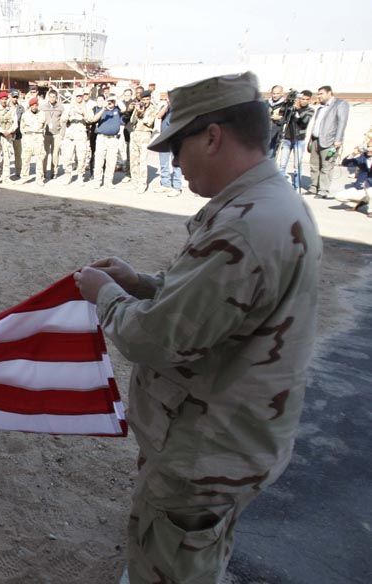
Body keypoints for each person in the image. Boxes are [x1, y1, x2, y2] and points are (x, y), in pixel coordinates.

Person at [74, 71, 320, 584]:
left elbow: (156, 339)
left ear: (212, 136)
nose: (173, 160)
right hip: (223, 438)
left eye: (178, 145)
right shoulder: (266, 206)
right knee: (194, 549)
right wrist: (140, 282)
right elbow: (220, 304)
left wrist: (105, 294)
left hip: (206, 451)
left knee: (175, 564)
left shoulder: (247, 224)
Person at [308, 85, 350, 199]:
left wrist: (338, 140)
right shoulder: (321, 107)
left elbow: (342, 123)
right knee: (314, 165)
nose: (318, 96)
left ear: (329, 93)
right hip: (316, 140)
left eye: (321, 93)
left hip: (330, 142)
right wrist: (311, 139)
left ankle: (323, 190)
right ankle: (314, 187)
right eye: (318, 94)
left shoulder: (340, 104)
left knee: (326, 166)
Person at [276, 90, 313, 192]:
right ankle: (279, 186)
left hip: (299, 140)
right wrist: (287, 102)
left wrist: (298, 110)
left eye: (306, 99)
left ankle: (296, 186)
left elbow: (304, 121)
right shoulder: (291, 108)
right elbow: (282, 113)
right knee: (282, 164)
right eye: (302, 99)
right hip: (287, 139)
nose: (304, 101)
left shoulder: (310, 110)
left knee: (297, 165)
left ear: (310, 100)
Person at [88, 97, 123, 188]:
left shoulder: (117, 110)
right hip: (101, 138)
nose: (110, 103)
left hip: (113, 139)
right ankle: (97, 181)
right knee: (99, 160)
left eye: (112, 101)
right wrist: (104, 107)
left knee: (111, 161)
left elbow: (124, 109)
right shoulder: (101, 110)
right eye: (109, 101)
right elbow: (94, 119)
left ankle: (108, 181)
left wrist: (116, 99)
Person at [154, 93, 183, 197]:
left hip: (176, 140)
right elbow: (158, 116)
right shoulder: (166, 108)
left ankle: (177, 187)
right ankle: (165, 184)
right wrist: (166, 105)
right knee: (163, 163)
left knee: (176, 164)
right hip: (164, 139)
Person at [129, 91, 157, 193]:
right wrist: (136, 110)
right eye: (143, 99)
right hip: (135, 133)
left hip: (145, 134)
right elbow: (132, 121)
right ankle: (135, 181)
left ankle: (142, 184)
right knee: (133, 159)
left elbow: (148, 122)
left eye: (147, 99)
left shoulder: (153, 109)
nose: (145, 101)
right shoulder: (139, 106)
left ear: (150, 99)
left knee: (143, 161)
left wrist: (142, 111)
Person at [62, 89, 91, 185]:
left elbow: (90, 120)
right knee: (68, 157)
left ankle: (80, 177)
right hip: (70, 135)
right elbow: (63, 119)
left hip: (81, 135)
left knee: (81, 157)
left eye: (80, 96)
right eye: (77, 96)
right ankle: (67, 175)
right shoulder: (69, 107)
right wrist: (69, 114)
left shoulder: (86, 107)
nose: (79, 98)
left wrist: (83, 113)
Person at [0, 92, 17, 185]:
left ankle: (6, 178)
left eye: (5, 99)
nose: (4, 101)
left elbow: (15, 123)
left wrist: (9, 131)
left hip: (8, 136)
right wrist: (2, 130)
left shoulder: (12, 110)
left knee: (7, 157)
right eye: (2, 99)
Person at [19, 97, 48, 186]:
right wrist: (25, 136)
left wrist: (40, 135)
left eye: (36, 105)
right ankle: (24, 177)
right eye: (32, 105)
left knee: (40, 158)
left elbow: (44, 126)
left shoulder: (42, 114)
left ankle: (39, 178)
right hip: (28, 137)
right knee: (25, 158)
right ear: (30, 106)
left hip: (38, 137)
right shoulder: (25, 115)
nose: (34, 107)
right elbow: (22, 127)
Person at [41, 90, 65, 179]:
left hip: (56, 134)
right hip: (46, 134)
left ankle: (54, 172)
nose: (52, 98)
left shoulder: (61, 107)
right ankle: (43, 172)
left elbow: (64, 121)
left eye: (53, 97)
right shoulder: (43, 107)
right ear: (48, 97)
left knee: (55, 154)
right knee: (44, 154)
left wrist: (62, 133)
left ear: (56, 97)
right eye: (50, 96)